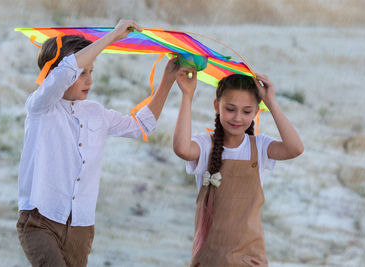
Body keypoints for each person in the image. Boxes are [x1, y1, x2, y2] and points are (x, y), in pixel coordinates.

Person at [16, 20, 178, 266]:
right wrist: (113, 36)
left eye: (92, 71)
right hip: (40, 219)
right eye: (82, 73)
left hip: (81, 227)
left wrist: (167, 81)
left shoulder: (95, 112)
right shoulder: (40, 106)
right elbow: (64, 71)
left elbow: (141, 126)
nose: (89, 81)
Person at [173, 68, 304, 266]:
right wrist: (187, 95)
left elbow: (295, 148)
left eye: (247, 111)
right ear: (217, 106)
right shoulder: (206, 145)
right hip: (210, 259)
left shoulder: (259, 147)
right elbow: (182, 148)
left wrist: (271, 102)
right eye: (230, 109)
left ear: (256, 112)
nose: (237, 118)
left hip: (250, 260)